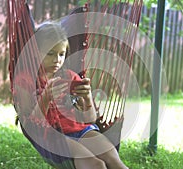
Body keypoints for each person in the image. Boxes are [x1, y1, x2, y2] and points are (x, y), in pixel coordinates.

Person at [15, 21, 128, 169]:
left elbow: (90, 119)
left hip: (82, 130)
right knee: (96, 165)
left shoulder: (70, 77)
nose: (57, 60)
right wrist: (46, 97)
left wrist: (87, 98)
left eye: (61, 54)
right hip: (54, 137)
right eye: (50, 54)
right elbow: (31, 126)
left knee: (113, 160)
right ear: (35, 52)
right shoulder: (25, 80)